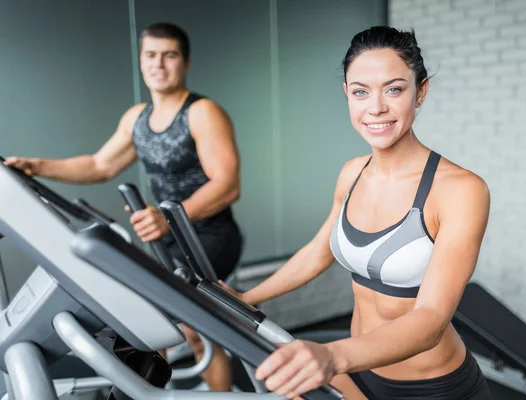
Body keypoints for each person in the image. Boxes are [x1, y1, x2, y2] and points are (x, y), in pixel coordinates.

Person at [224, 26, 492, 399]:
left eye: (394, 89)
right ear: (347, 95)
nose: (376, 107)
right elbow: (316, 254)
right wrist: (245, 297)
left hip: (433, 386)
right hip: (361, 370)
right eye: (360, 92)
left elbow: (430, 319)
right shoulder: (352, 172)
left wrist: (332, 356)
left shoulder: (460, 190)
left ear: (422, 91)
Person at [4, 22, 240, 392]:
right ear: (142, 61)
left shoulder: (202, 112)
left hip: (208, 237)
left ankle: (220, 396)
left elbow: (227, 186)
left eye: (170, 55)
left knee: (196, 334)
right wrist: (37, 166)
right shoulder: (137, 118)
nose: (159, 64)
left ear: (185, 62)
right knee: (152, 329)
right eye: (151, 55)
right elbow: (100, 165)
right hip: (166, 238)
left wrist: (167, 217)